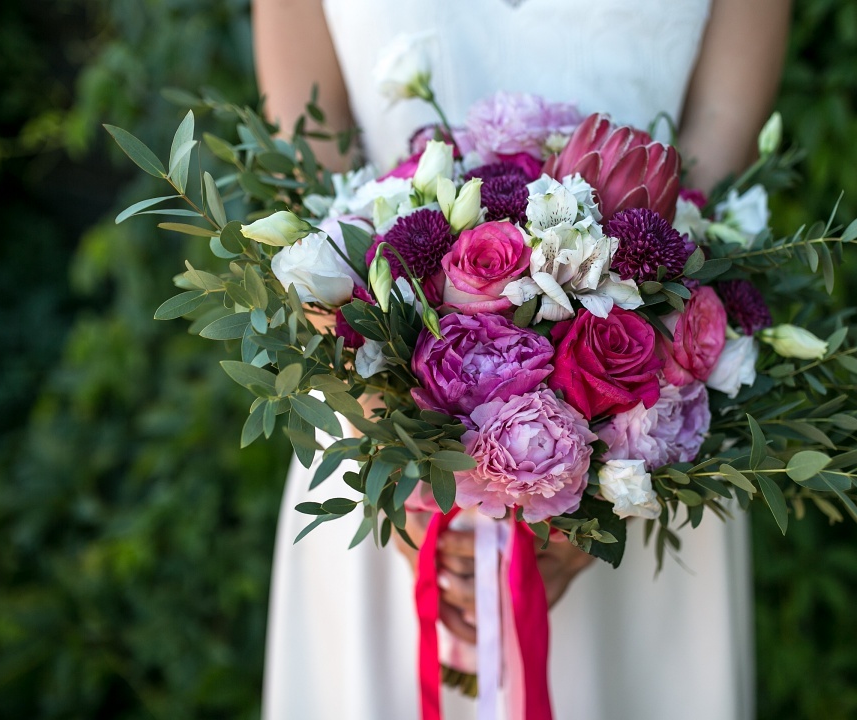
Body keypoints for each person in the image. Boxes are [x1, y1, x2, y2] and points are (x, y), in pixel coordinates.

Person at [255, 1, 792, 718]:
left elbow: (712, 177)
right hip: (374, 438)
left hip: (645, 453)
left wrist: (604, 495)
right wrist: (395, 443)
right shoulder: (381, 436)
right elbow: (309, 189)